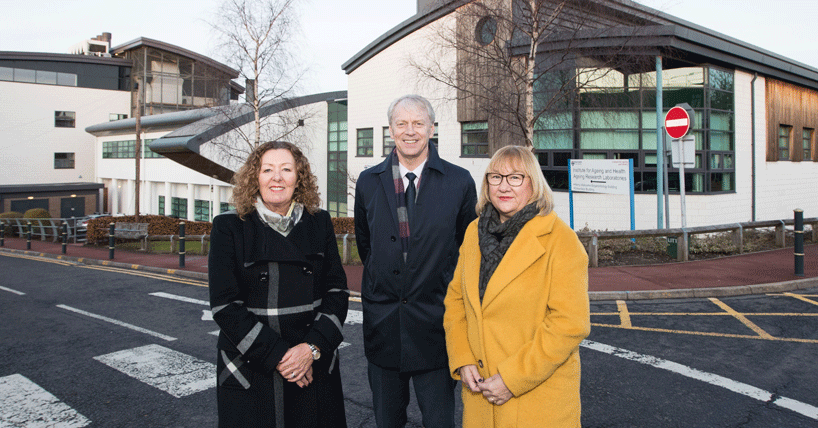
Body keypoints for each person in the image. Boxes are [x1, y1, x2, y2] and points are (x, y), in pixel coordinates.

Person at [443, 145, 591, 428]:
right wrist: (463, 359)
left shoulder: (560, 240)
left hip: (535, 402)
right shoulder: (474, 232)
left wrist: (512, 379)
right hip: (481, 399)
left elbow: (569, 323)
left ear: (533, 184)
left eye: (515, 178)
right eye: (495, 177)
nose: (503, 186)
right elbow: (456, 300)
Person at [354, 94, 478, 428]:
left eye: (418, 123)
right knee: (387, 421)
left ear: (431, 128)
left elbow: (467, 251)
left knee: (439, 422)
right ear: (391, 130)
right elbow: (367, 247)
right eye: (402, 124)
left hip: (436, 328)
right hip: (384, 326)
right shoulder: (368, 182)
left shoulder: (460, 181)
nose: (410, 131)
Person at [209, 141, 349, 427]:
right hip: (252, 368)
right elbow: (225, 306)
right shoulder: (229, 227)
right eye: (268, 169)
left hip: (312, 363)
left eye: (286, 169)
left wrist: (309, 350)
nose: (277, 177)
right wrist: (282, 357)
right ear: (254, 177)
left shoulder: (319, 222)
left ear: (299, 178)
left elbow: (337, 291)